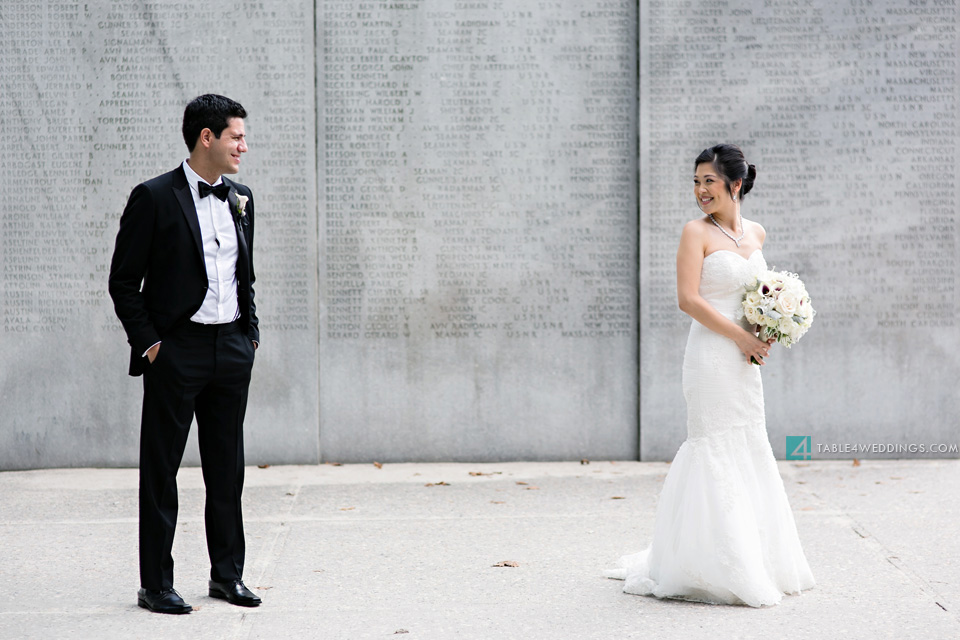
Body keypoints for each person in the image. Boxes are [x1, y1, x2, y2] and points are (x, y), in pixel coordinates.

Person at [606, 143, 815, 606]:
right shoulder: (694, 233)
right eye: (696, 182)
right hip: (709, 357)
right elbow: (689, 300)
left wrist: (766, 328)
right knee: (712, 445)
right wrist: (739, 338)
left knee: (748, 442)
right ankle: (705, 564)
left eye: (710, 182)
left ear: (735, 185)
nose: (700, 190)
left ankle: (756, 558)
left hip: (745, 360)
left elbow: (754, 296)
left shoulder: (756, 233)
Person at [109, 94, 262, 614]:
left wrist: (250, 336)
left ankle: (227, 576)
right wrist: (153, 345)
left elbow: (246, 277)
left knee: (227, 469)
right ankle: (156, 584)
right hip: (178, 352)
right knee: (161, 471)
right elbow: (124, 282)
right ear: (207, 138)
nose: (244, 145)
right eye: (236, 136)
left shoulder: (241, 197)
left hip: (231, 351)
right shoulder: (153, 197)